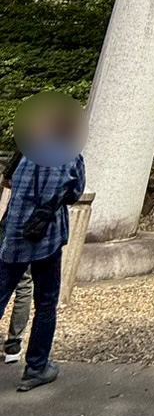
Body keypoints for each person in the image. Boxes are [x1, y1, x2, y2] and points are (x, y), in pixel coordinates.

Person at [0, 132, 85, 391]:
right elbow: (74, 192)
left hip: (14, 232)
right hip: (46, 236)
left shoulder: (27, 150)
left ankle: (21, 351)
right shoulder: (69, 154)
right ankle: (36, 367)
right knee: (46, 303)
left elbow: (8, 180)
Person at [0, 150, 32, 366]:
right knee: (24, 284)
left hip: (12, 221)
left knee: (3, 278)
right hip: (37, 228)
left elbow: (6, 180)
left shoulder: (25, 149)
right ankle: (13, 344)